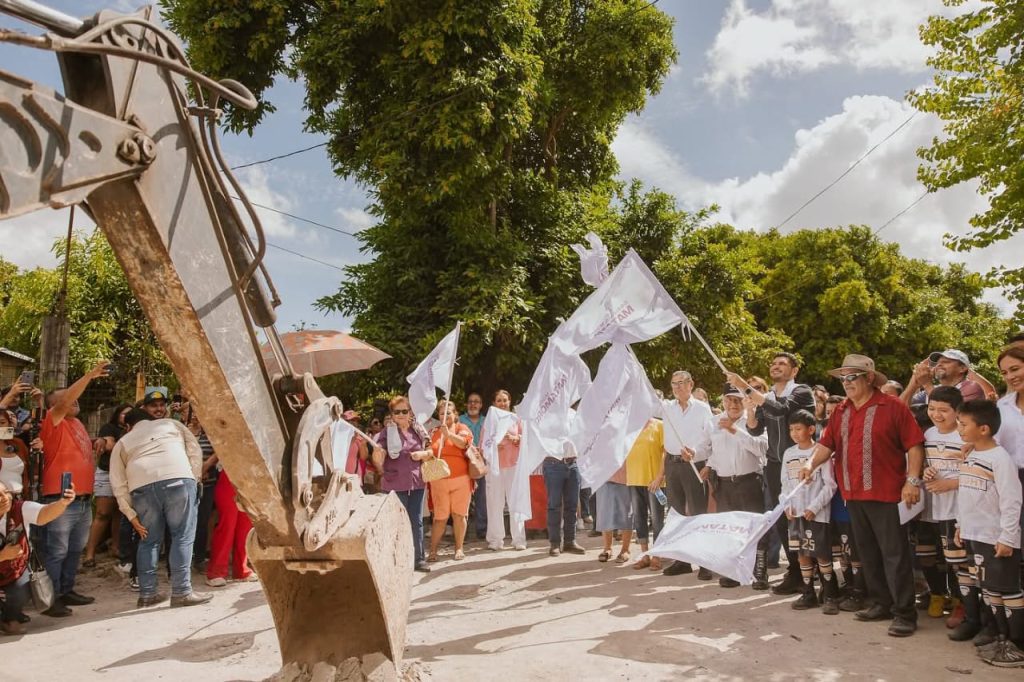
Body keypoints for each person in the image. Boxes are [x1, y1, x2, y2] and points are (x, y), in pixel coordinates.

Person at [800, 353, 925, 637]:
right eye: (842, 378)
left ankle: (905, 613)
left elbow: (915, 445)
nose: (846, 383)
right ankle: (881, 603)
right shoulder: (841, 410)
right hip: (853, 494)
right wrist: (810, 463)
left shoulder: (892, 406)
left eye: (852, 377)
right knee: (868, 554)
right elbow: (826, 444)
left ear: (869, 378)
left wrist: (912, 481)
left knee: (894, 555)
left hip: (887, 494)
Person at [726, 352, 815, 595]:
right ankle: (795, 572)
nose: (775, 366)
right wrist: (750, 410)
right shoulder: (768, 396)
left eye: (782, 364)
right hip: (775, 465)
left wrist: (745, 387)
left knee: (805, 517)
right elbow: (755, 430)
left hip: (800, 463)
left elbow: (781, 410)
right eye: (773, 363)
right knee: (782, 518)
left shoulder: (801, 391)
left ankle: (812, 572)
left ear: (794, 371)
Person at [109, 408, 211, 608]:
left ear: (128, 426)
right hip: (179, 480)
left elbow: (118, 482)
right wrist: (194, 478)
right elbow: (194, 450)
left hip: (142, 488)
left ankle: (147, 594)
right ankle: (182, 592)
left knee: (148, 541)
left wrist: (130, 515)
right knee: (182, 537)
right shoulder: (172, 424)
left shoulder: (123, 442)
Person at [38, 360, 109, 617]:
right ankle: (50, 599)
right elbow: (66, 401)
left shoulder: (76, 424)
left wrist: (99, 440)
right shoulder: (52, 420)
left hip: (82, 499)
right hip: (61, 498)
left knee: (74, 549)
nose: (74, 400)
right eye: (67, 397)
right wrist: (89, 375)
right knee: (57, 551)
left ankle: (66, 590)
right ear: (54, 406)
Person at [956, 399, 1024, 666]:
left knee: (1007, 590)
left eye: (964, 424)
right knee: (989, 589)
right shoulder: (971, 454)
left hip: (997, 538)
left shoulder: (1000, 459)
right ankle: (1000, 637)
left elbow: (1012, 500)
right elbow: (965, 495)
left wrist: (1007, 537)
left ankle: (1017, 644)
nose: (959, 429)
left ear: (983, 429)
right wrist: (961, 526)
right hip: (975, 535)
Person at [701, 384, 769, 588]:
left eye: (738, 399)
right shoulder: (713, 422)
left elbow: (762, 449)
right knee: (730, 530)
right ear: (722, 400)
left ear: (745, 400)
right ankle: (734, 570)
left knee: (755, 528)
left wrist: (735, 431)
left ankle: (759, 570)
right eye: (729, 399)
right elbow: (709, 450)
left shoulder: (754, 421)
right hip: (724, 484)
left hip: (749, 481)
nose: (733, 404)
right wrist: (696, 456)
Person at [651, 370, 712, 578]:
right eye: (673, 383)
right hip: (672, 464)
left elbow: (708, 438)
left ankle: (704, 562)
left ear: (690, 384)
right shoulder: (667, 408)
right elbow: (646, 402)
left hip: (693, 463)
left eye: (681, 383)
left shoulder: (702, 408)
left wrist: (695, 452)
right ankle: (682, 561)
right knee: (676, 513)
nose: (676, 387)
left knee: (697, 512)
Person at [914, 386, 965, 622]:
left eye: (943, 410)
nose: (937, 414)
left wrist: (950, 483)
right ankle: (936, 594)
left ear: (957, 411)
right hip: (930, 506)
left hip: (956, 508)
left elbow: (978, 472)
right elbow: (923, 464)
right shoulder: (928, 435)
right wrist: (926, 471)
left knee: (955, 558)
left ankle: (960, 601)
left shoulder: (965, 436)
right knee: (926, 553)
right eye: (932, 408)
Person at [0, 479, 77, 635]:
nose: (4, 498)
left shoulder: (20, 508)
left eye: (6, 492)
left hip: (14, 570)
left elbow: (44, 514)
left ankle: (9, 618)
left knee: (21, 590)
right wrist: (3, 555)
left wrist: (62, 503)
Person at [782, 410, 839, 612]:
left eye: (798, 429)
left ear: (811, 429)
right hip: (795, 513)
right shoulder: (788, 454)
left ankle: (830, 594)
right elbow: (785, 484)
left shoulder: (820, 453)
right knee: (802, 554)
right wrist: (786, 505)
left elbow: (830, 485)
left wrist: (815, 507)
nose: (794, 433)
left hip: (817, 513)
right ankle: (808, 593)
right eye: (791, 429)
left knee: (821, 554)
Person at [372, 396, 431, 573]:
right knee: (396, 522)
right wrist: (378, 455)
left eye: (404, 411)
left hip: (417, 482)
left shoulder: (418, 430)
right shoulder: (386, 433)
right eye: (397, 412)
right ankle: (396, 560)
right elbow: (378, 458)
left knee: (416, 522)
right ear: (392, 414)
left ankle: (418, 559)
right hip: (394, 484)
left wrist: (422, 454)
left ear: (410, 412)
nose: (401, 415)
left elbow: (430, 450)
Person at [82, 403, 131, 568]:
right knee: (103, 513)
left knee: (120, 513)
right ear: (117, 415)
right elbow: (109, 446)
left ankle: (115, 547)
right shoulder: (109, 428)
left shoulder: (135, 430)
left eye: (130, 414)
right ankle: (89, 553)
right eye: (124, 413)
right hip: (107, 473)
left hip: (127, 476)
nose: (126, 416)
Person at [427, 400, 474, 562]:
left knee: (459, 515)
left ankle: (459, 548)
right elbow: (429, 449)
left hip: (461, 480)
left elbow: (463, 444)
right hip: (439, 480)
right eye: (442, 413)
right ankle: (433, 550)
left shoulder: (462, 428)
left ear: (455, 414)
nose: (445, 415)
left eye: (448, 412)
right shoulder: (433, 431)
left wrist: (448, 435)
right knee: (440, 517)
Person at [483, 390, 526, 552]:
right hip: (495, 467)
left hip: (514, 465)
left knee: (516, 502)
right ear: (494, 403)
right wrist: (494, 446)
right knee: (495, 503)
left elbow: (527, 439)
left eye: (505, 400)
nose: (502, 403)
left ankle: (519, 539)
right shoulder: (489, 421)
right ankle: (496, 540)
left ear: (509, 402)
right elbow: (482, 444)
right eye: (499, 400)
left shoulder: (516, 419)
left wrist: (517, 439)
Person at [205, 468, 256, 587]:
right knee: (227, 526)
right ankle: (216, 572)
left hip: (250, 477)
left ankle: (241, 570)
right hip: (229, 476)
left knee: (245, 529)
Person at [627, 418, 665, 571]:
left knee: (657, 520)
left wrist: (659, 477)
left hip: (654, 482)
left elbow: (666, 453)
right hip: (634, 479)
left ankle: (657, 555)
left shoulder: (659, 425)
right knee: (639, 518)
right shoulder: (629, 426)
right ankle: (644, 555)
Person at [544, 435, 585, 558]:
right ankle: (555, 543)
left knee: (572, 505)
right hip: (553, 463)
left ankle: (570, 541)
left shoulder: (574, 421)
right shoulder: (548, 421)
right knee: (554, 505)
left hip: (573, 463)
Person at [189, 410, 219, 572]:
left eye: (197, 411)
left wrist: (205, 467)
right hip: (187, 482)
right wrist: (196, 471)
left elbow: (219, 451)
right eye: (192, 411)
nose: (195, 414)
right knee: (185, 522)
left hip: (208, 484)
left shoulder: (212, 433)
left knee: (202, 521)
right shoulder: (185, 431)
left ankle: (199, 557)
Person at [902, 349, 986, 405]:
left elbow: (951, 412)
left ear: (962, 368)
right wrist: (913, 383)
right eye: (937, 363)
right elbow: (899, 410)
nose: (939, 365)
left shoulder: (971, 387)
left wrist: (926, 384)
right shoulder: (933, 389)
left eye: (946, 362)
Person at [460, 393, 487, 540]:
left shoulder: (486, 421)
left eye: (476, 402)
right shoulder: (460, 421)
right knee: (463, 498)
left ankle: (482, 530)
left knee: (481, 497)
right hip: (463, 463)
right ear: (466, 404)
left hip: (481, 463)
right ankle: (462, 532)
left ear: (481, 405)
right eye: (470, 401)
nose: (473, 404)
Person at [596, 460, 633, 564]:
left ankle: (625, 549)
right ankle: (607, 548)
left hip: (626, 475)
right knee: (605, 513)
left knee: (626, 514)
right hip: (603, 477)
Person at [0, 409, 30, 495]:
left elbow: (32, 468)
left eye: (2, 423)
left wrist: (37, 448)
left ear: (9, 424)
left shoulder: (18, 443)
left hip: (19, 498)